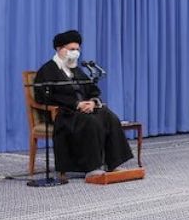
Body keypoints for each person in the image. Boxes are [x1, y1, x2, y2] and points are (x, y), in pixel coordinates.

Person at [33, 30, 134, 178]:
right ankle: (91, 167)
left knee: (109, 116)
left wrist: (92, 102)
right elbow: (43, 97)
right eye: (71, 49)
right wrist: (76, 104)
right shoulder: (47, 70)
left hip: (84, 109)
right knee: (90, 122)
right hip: (64, 113)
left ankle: (112, 163)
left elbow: (92, 89)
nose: (75, 53)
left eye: (77, 49)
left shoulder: (76, 69)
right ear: (59, 49)